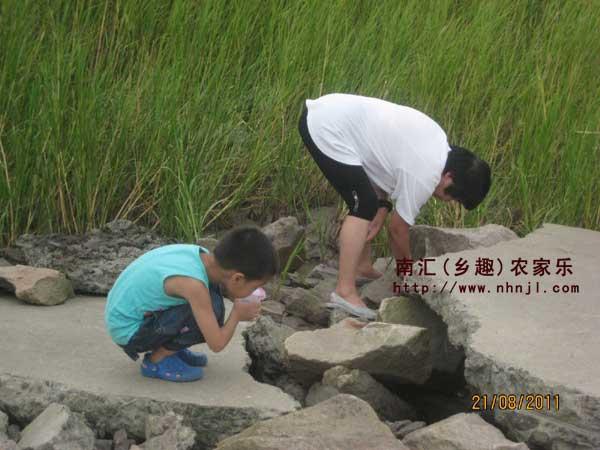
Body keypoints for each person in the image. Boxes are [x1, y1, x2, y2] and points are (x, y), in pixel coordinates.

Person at [298, 93, 491, 320]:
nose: (449, 202)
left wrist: (383, 206)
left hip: (331, 113)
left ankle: (362, 267)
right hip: (326, 128)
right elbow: (397, 230)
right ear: (449, 178)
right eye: (455, 197)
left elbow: (382, 161)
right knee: (363, 205)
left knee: (369, 203)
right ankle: (345, 291)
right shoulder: (427, 173)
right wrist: (408, 276)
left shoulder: (438, 143)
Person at [104, 226, 278, 382]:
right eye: (255, 286)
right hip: (128, 332)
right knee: (211, 309)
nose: (256, 291)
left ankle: (172, 348)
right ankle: (157, 360)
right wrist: (237, 315)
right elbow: (216, 343)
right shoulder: (193, 285)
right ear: (237, 278)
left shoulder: (201, 255)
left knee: (211, 300)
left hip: (123, 314)